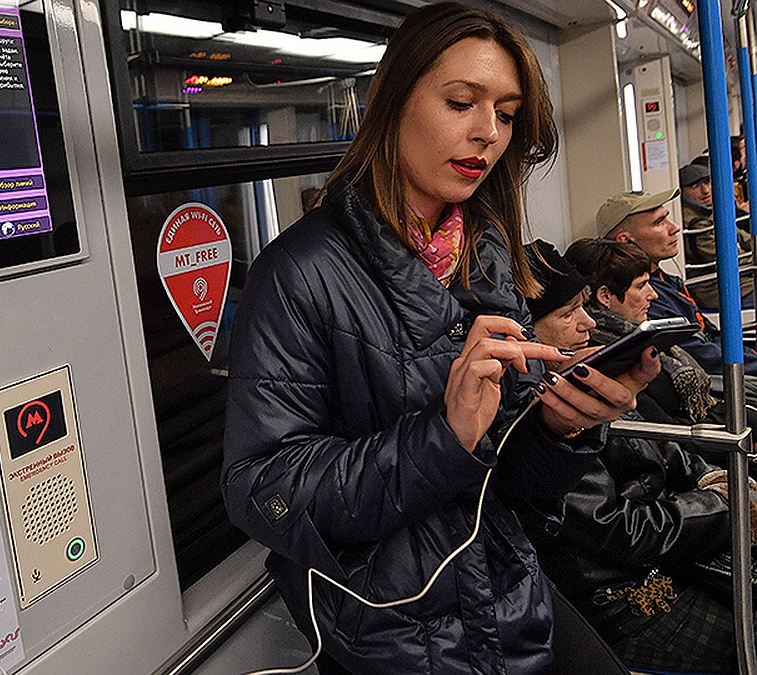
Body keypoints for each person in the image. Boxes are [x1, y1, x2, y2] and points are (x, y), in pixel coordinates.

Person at [221, 4, 657, 672]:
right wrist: (441, 435)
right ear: (393, 101)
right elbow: (263, 487)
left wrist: (561, 430)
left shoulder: (484, 255)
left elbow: (505, 482)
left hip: (507, 596)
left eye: (506, 114)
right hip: (392, 633)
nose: (487, 132)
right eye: (461, 102)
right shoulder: (299, 273)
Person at [525, 239, 755, 673]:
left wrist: (711, 481)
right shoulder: (541, 420)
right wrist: (729, 507)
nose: (588, 323)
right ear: (526, 332)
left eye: (583, 307)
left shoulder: (592, 372)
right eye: (567, 314)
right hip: (626, 595)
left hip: (671, 547)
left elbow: (665, 443)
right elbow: (616, 530)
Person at [597, 188, 757, 376]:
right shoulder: (642, 299)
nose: (675, 228)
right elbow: (703, 358)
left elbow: (711, 337)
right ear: (626, 240)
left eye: (667, 218)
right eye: (659, 222)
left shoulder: (666, 282)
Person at [564, 238, 723, 427]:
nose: (653, 295)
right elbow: (667, 431)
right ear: (605, 296)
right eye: (641, 286)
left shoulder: (636, 337)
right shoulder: (613, 357)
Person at [679, 162, 755, 309]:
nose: (705, 190)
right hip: (715, 289)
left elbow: (742, 237)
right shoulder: (696, 222)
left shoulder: (708, 212)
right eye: (695, 186)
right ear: (682, 191)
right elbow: (725, 258)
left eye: (707, 182)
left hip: (735, 280)